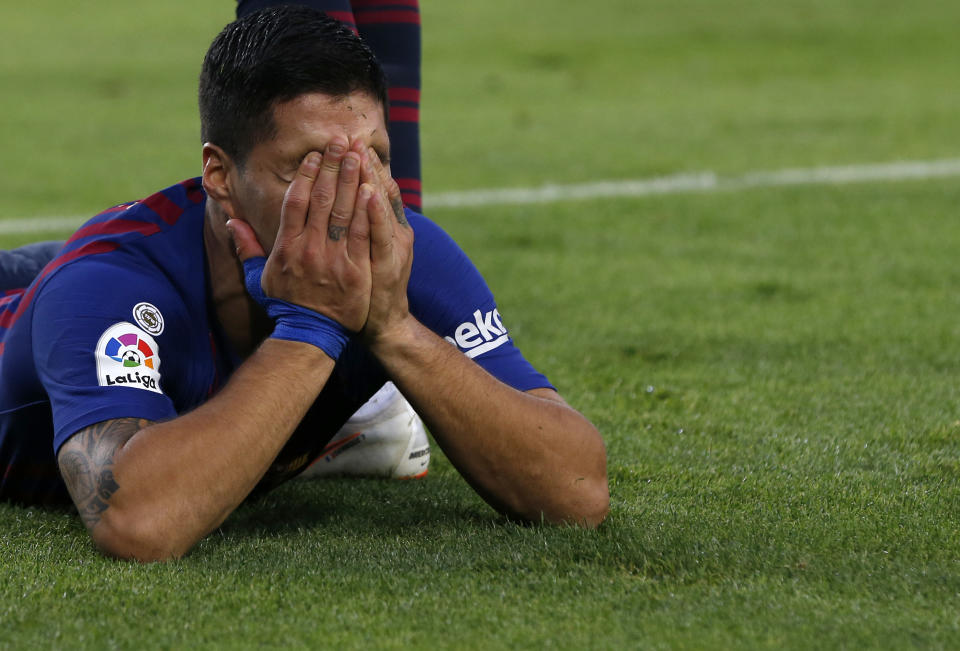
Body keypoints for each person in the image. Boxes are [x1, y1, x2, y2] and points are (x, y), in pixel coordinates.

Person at [0, 7, 608, 561]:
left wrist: (395, 329)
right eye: (308, 166)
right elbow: (138, 522)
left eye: (375, 159)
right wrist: (313, 326)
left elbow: (579, 490)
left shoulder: (405, 252)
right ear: (219, 173)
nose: (354, 196)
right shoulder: (103, 287)